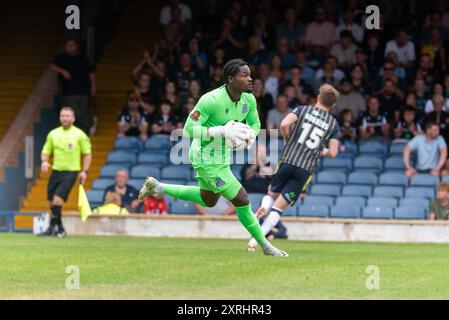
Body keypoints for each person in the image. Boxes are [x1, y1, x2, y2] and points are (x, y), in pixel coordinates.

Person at [138, 59, 288, 257]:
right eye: (244, 75)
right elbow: (189, 129)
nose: (250, 79)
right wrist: (221, 131)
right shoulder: (211, 100)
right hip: (204, 156)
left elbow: (254, 123)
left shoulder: (248, 100)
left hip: (222, 156)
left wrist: (250, 135)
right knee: (242, 199)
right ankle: (265, 246)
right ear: (230, 79)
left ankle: (158, 188)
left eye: (250, 74)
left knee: (208, 200)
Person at [247, 84, 341, 251]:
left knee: (271, 195)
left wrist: (289, 139)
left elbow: (284, 124)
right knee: (279, 208)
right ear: (333, 105)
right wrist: (319, 149)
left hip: (288, 160)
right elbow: (333, 153)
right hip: (305, 169)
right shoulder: (333, 125)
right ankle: (256, 240)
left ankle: (263, 207)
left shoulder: (302, 110)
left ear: (317, 98)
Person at [40, 107, 92, 237]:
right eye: (62, 116)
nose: (64, 118)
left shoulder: (79, 134)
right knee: (51, 201)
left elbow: (87, 154)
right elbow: (45, 151)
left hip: (71, 172)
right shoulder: (53, 134)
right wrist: (44, 161)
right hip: (56, 170)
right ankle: (57, 228)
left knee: (58, 200)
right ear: (60, 117)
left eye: (67, 116)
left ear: (73, 119)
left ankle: (55, 228)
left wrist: (84, 171)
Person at [49, 38, 96, 134]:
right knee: (75, 115)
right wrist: (62, 71)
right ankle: (91, 122)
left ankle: (85, 133)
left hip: (84, 91)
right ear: (65, 47)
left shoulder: (83, 58)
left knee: (81, 113)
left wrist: (93, 87)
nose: (70, 47)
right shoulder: (62, 58)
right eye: (68, 45)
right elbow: (51, 66)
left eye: (72, 45)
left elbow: (91, 73)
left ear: (76, 47)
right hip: (69, 92)